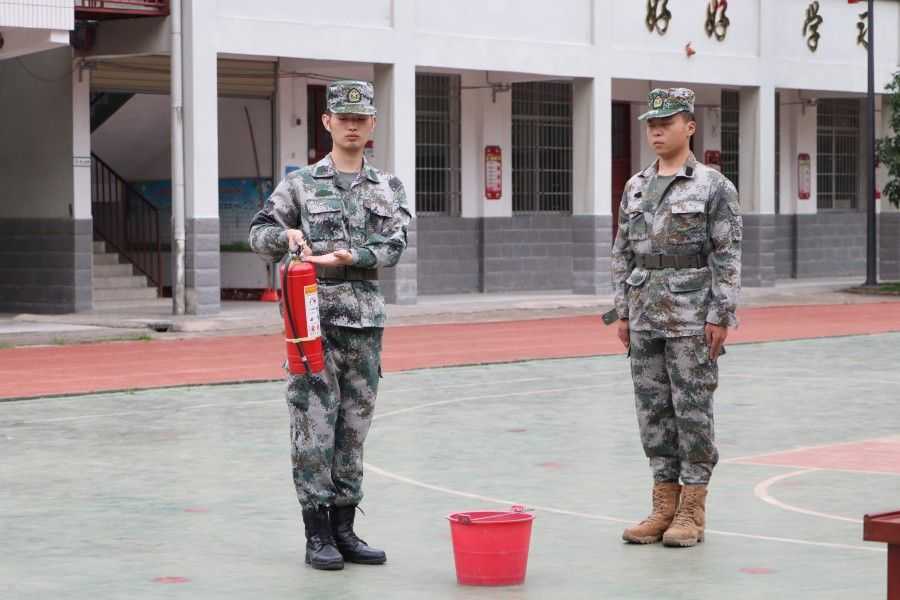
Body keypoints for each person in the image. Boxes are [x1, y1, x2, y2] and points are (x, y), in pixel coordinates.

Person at [248, 80, 412, 570]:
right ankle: (316, 531)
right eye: (344, 117)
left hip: (363, 323)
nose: (353, 125)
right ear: (327, 122)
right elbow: (258, 233)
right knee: (312, 426)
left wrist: (353, 254)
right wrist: (288, 235)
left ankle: (345, 528)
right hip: (311, 322)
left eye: (361, 118)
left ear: (373, 125)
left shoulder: (389, 186)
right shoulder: (300, 184)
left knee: (353, 430)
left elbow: (395, 245)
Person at [610, 87, 742, 548]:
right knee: (653, 413)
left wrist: (720, 314)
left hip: (691, 315)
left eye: (667, 121)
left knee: (692, 412)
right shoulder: (636, 185)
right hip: (645, 312)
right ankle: (662, 504)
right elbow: (622, 251)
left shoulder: (713, 186)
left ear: (690, 125)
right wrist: (622, 311)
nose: (657, 129)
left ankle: (692, 508)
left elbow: (727, 254)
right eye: (651, 122)